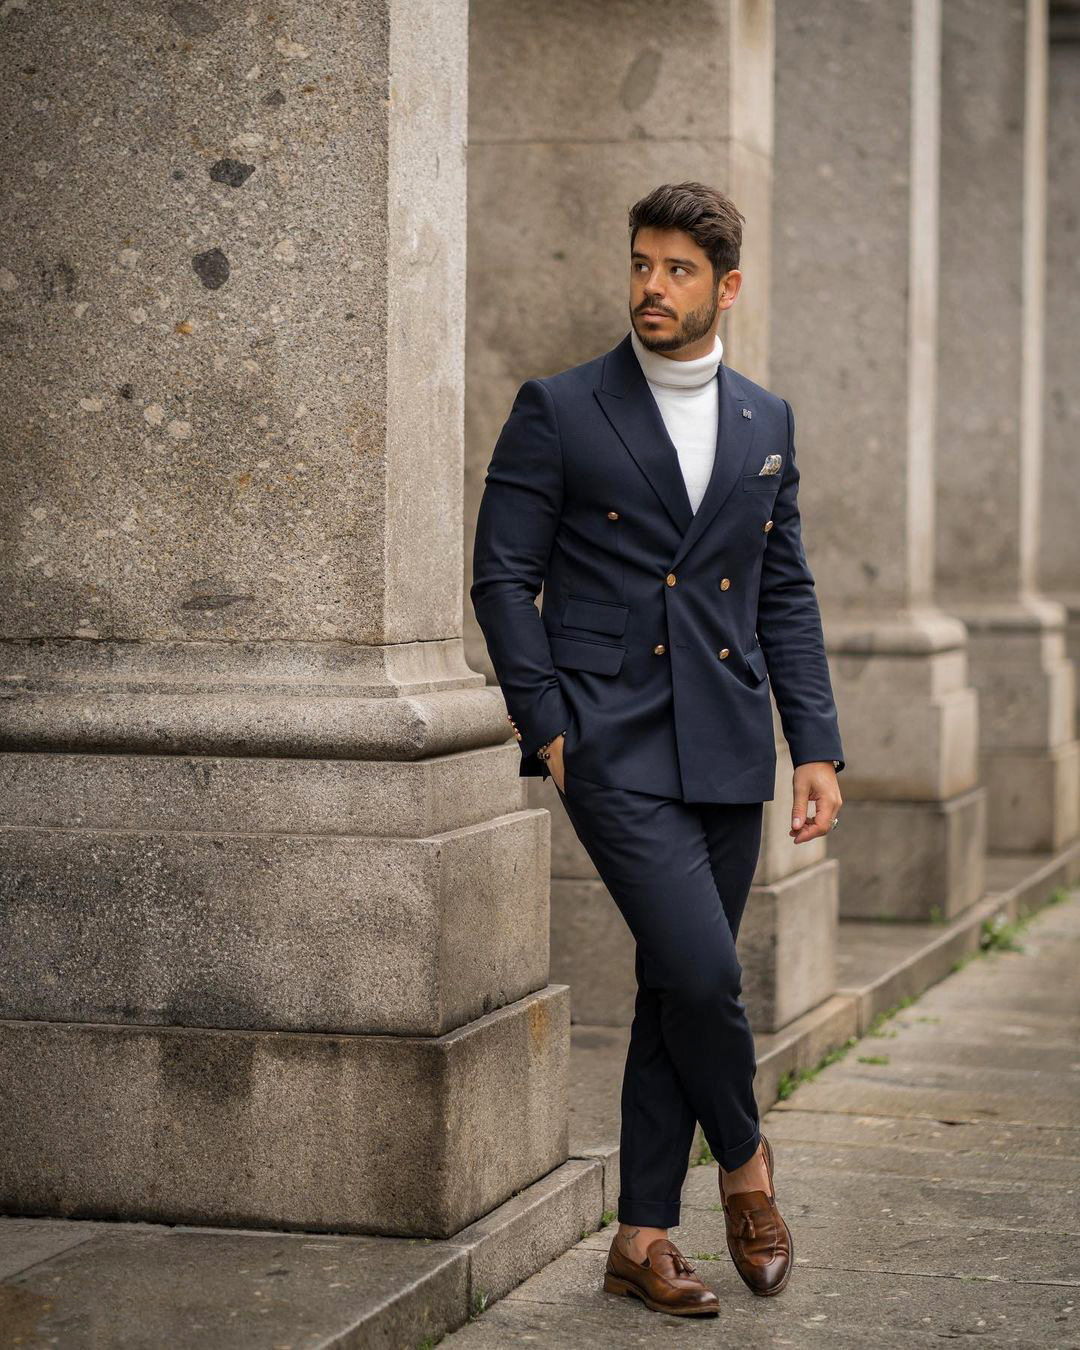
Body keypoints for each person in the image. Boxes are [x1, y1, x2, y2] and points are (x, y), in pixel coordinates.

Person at [470, 181, 844, 1314]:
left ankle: (640, 1237)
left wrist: (815, 744)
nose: (652, 288)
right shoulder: (562, 407)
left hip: (729, 738)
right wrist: (548, 725)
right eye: (641, 264)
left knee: (673, 989)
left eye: (679, 271)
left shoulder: (765, 423)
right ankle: (745, 1166)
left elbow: (784, 590)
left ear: (726, 287)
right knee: (704, 970)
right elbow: (500, 576)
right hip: (611, 738)